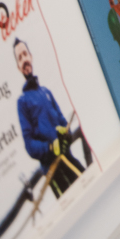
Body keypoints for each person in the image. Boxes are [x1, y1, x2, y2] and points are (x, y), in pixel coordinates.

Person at [14, 38, 85, 196]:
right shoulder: (22, 102)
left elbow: (62, 120)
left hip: (67, 158)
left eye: (25, 54)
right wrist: (50, 148)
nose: (24, 60)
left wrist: (66, 135)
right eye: (20, 58)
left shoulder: (46, 92)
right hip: (53, 172)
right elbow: (29, 144)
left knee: (88, 180)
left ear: (31, 57)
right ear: (18, 67)